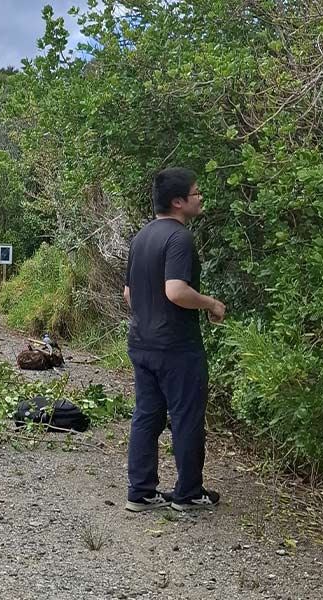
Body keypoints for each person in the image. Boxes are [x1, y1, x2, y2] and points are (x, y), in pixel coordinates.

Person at [122, 167, 226, 512]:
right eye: (196, 194)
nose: (200, 199)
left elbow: (128, 294)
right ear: (179, 201)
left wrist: (149, 317)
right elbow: (176, 291)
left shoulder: (141, 238)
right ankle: (188, 493)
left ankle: (140, 491)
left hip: (141, 342)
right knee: (186, 416)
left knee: (147, 414)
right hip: (176, 347)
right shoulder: (179, 239)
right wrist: (211, 303)